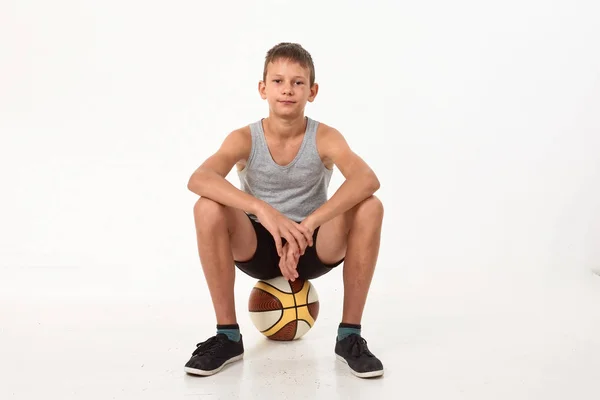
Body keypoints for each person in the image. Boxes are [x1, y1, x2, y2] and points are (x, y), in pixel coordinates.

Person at [184, 42, 385, 379]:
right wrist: (262, 210)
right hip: (259, 247)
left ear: (312, 91)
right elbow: (199, 178)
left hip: (312, 245)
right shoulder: (243, 138)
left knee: (370, 207)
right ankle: (227, 337)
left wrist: (310, 223)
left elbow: (367, 179)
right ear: (263, 89)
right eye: (278, 81)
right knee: (207, 207)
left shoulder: (326, 137)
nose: (287, 90)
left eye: (297, 82)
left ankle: (349, 336)